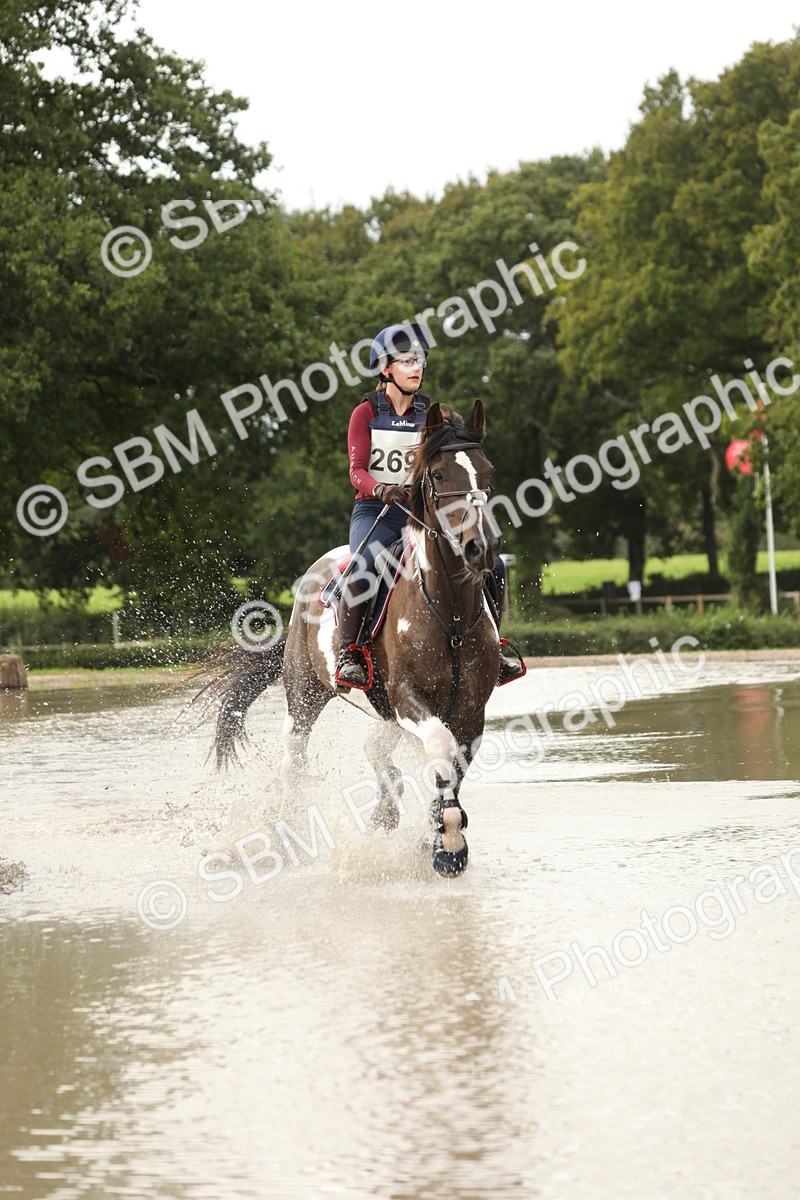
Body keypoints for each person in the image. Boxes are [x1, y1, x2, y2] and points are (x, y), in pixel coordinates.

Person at [335, 323, 525, 689]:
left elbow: (459, 456)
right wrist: (380, 488)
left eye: (419, 360)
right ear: (385, 369)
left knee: (494, 563)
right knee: (365, 563)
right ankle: (350, 652)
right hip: (377, 511)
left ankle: (494, 645)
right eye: (407, 361)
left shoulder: (433, 415)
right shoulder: (366, 413)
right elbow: (356, 471)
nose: (416, 367)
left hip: (423, 513)